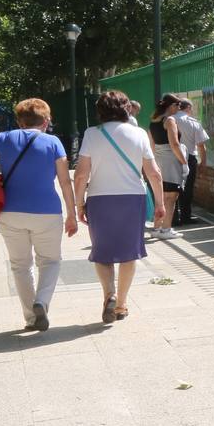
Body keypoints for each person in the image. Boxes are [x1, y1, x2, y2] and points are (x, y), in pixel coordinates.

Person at [0, 99, 78, 331]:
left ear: (19, 121)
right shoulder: (54, 142)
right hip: (47, 211)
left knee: (20, 265)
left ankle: (31, 317)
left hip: (10, 211)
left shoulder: (4, 138)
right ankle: (42, 302)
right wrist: (72, 214)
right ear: (46, 121)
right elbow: (65, 181)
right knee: (50, 261)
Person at [73, 90, 164, 322]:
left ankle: (109, 295)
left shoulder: (92, 134)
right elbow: (153, 173)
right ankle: (122, 304)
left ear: (100, 111)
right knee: (128, 254)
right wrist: (160, 203)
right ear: (126, 108)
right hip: (132, 198)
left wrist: (79, 205)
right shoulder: (139, 134)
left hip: (99, 198)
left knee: (102, 253)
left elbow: (81, 175)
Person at [147, 93, 187, 240]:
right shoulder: (169, 120)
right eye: (178, 105)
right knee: (171, 196)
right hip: (171, 160)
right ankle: (166, 229)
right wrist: (184, 162)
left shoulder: (153, 121)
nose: (179, 108)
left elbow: (151, 145)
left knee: (161, 197)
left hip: (158, 159)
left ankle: (157, 227)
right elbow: (174, 144)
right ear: (171, 106)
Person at [174, 97, 208, 226]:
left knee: (172, 187)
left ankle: (173, 217)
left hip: (172, 158)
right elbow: (200, 145)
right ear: (188, 107)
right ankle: (185, 216)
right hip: (189, 158)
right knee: (187, 188)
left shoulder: (170, 119)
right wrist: (203, 161)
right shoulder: (193, 122)